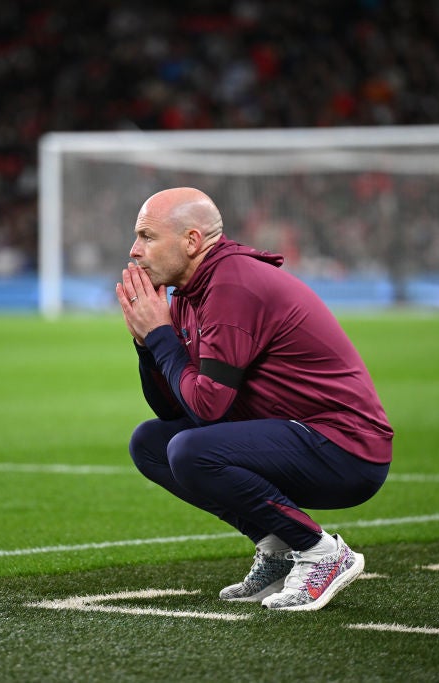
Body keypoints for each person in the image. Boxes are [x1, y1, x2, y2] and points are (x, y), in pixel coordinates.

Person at [116, 187, 393, 611]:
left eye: (147, 236)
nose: (135, 251)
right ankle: (278, 546)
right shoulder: (191, 295)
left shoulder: (232, 285)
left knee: (191, 450)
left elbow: (207, 410)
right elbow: (174, 408)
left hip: (347, 447)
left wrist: (160, 336)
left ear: (192, 242)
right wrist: (146, 344)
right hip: (298, 436)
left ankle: (322, 554)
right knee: (150, 444)